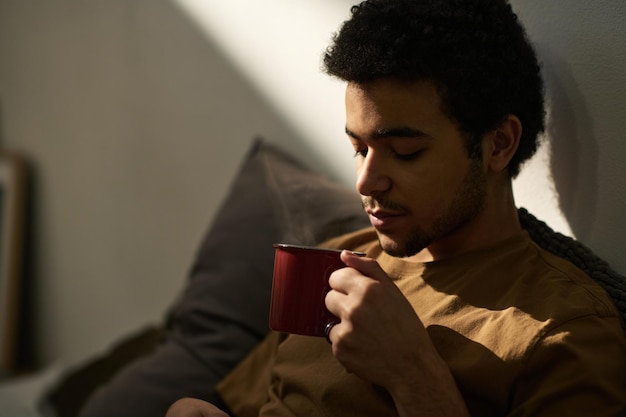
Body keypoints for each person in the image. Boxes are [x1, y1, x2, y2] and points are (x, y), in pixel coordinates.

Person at [166, 0, 626, 416]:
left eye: (405, 151)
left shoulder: (566, 333)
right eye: (358, 149)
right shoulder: (338, 259)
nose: (366, 180)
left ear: (498, 144)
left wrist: (412, 375)